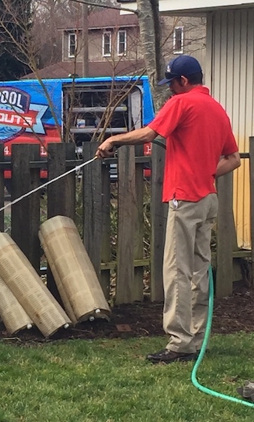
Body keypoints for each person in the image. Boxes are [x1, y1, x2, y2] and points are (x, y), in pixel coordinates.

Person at [96, 55, 241, 364]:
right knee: (200, 271)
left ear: (184, 81)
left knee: (177, 271)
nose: (170, 89)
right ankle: (197, 338)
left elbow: (150, 134)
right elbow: (233, 159)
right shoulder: (217, 110)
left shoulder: (182, 103)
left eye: (172, 83)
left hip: (184, 199)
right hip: (207, 199)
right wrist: (207, 172)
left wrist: (114, 140)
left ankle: (179, 343)